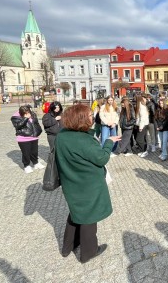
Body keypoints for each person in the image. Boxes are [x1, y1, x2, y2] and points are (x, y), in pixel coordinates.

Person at [55, 104, 121, 263]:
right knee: (89, 218)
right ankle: (89, 252)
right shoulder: (83, 140)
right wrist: (108, 142)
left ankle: (67, 247)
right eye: (91, 115)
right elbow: (102, 158)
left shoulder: (62, 135)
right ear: (81, 119)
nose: (93, 117)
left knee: (75, 213)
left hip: (71, 183)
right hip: (88, 185)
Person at [11, 105, 45, 173]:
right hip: (23, 138)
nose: (28, 113)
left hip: (34, 136)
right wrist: (25, 118)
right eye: (25, 113)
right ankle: (26, 165)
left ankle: (36, 163)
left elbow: (36, 123)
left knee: (34, 152)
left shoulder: (32, 114)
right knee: (26, 153)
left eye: (28, 112)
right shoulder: (15, 117)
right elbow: (18, 126)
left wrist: (39, 130)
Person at [42, 101, 63, 167]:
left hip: (61, 135)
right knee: (53, 150)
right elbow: (46, 124)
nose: (57, 109)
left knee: (61, 150)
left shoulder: (62, 114)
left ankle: (61, 162)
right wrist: (55, 119)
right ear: (52, 107)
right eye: (55, 107)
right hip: (52, 135)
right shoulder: (47, 115)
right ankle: (53, 163)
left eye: (58, 107)